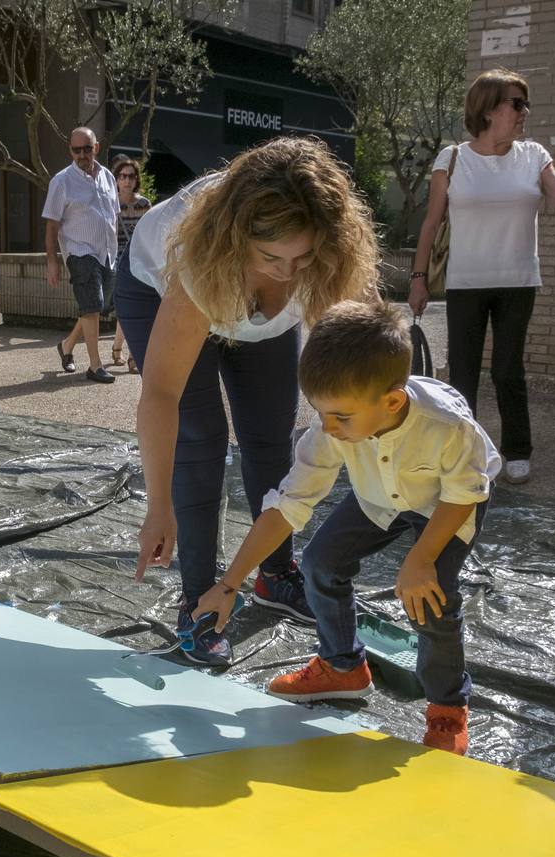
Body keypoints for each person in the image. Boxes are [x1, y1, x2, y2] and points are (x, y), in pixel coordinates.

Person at [115, 135, 379, 666]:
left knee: (270, 434)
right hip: (157, 289)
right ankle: (198, 601)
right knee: (202, 436)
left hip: (252, 317)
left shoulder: (329, 258)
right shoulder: (198, 254)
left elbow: (371, 349)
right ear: (240, 239)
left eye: (302, 257)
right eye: (271, 257)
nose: (286, 272)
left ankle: (275, 574)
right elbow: (161, 394)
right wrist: (158, 504)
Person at [193, 301, 499, 755]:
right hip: (378, 497)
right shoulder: (333, 426)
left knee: (430, 594)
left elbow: (463, 494)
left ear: (392, 402)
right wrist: (229, 584)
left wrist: (421, 559)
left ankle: (447, 707)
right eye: (321, 413)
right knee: (320, 563)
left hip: (447, 504)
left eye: (341, 417)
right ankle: (343, 668)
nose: (328, 427)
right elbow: (287, 507)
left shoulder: (447, 426)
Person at [408, 67, 555, 485]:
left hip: (518, 280)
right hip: (466, 282)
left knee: (508, 369)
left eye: (526, 104)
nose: (525, 112)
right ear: (488, 109)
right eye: (517, 103)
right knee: (463, 373)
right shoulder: (453, 159)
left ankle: (517, 451)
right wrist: (418, 278)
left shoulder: (533, 155)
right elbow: (431, 223)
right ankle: (461, 451)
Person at [44, 126, 120, 384]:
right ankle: (95, 366)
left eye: (86, 149)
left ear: (95, 148)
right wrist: (52, 261)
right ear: (70, 151)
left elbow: (113, 216)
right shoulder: (61, 181)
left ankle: (67, 345)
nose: (82, 155)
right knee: (92, 305)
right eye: (76, 150)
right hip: (79, 251)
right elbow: (51, 224)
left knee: (95, 306)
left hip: (107, 252)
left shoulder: (107, 177)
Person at [110, 155, 152, 374]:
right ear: (116, 179)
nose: (127, 180)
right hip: (117, 261)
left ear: (136, 179)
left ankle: (132, 355)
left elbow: (150, 233)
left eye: (131, 176)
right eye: (122, 176)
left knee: (136, 307)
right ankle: (118, 347)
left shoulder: (144, 204)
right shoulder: (110, 202)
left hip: (140, 259)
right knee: (125, 308)